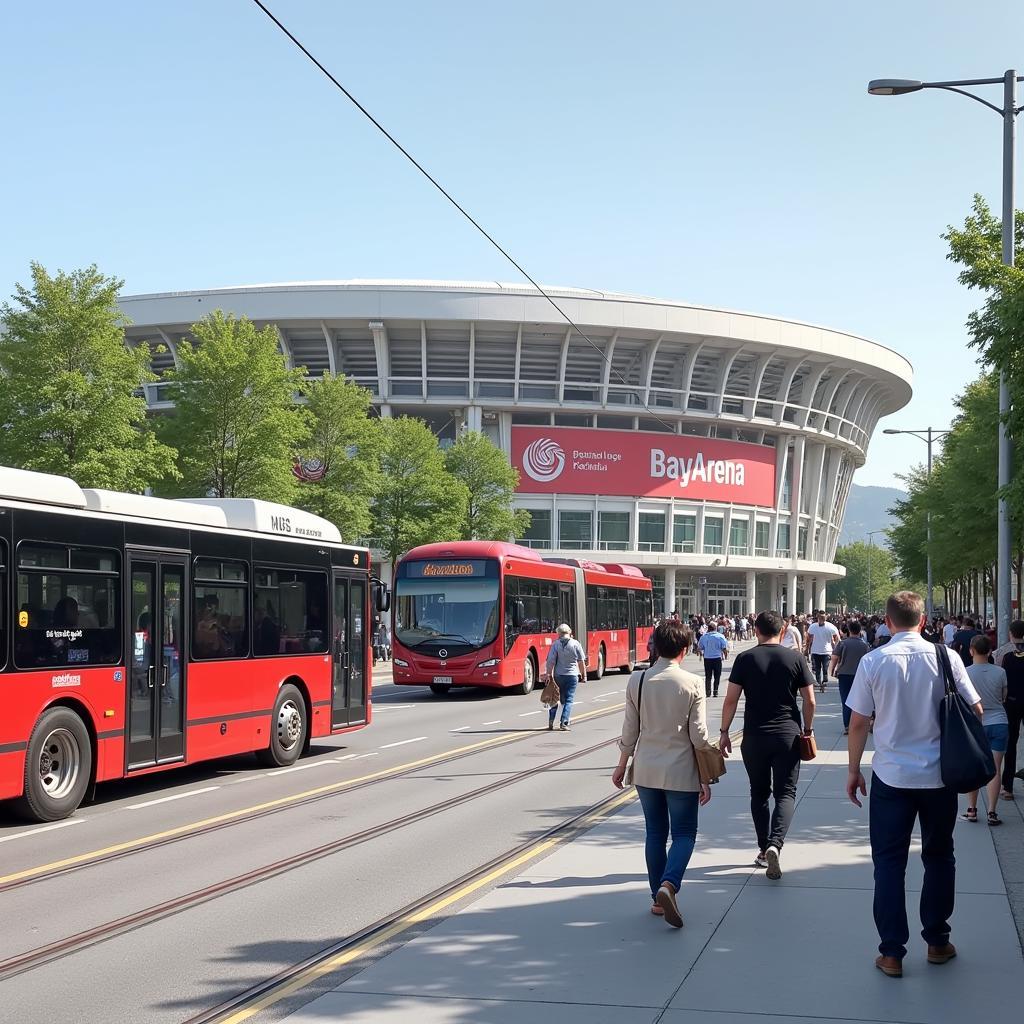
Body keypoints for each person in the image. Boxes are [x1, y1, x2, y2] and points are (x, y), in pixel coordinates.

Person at [845, 591, 982, 979]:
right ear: (923, 621)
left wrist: (853, 769)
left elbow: (858, 722)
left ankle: (891, 953)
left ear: (886, 622)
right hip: (940, 777)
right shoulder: (947, 656)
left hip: (891, 777)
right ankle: (938, 940)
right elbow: (975, 708)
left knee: (889, 864)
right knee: (939, 857)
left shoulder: (874, 661)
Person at [612, 620, 714, 927]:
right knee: (684, 833)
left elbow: (630, 730)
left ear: (655, 646)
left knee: (655, 833)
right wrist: (705, 777)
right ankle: (669, 885)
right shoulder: (692, 683)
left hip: (645, 769)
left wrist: (621, 765)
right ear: (684, 650)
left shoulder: (638, 681)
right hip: (681, 769)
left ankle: (657, 900)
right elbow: (698, 736)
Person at [720, 610, 815, 880]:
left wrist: (724, 731)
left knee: (758, 793)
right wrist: (807, 730)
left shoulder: (745, 658)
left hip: (754, 737)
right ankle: (776, 844)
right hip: (788, 736)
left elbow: (731, 700)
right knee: (785, 792)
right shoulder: (795, 658)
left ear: (756, 630)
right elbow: (810, 700)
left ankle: (763, 848)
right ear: (783, 630)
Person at [962, 634, 1007, 826]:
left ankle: (972, 810)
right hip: (999, 723)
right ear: (990, 651)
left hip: (974, 725)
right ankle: (992, 812)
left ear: (971, 650)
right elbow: (1004, 696)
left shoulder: (964, 672)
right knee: (995, 770)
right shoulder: (1000, 672)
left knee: (973, 768)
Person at [543, 623, 586, 732]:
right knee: (568, 700)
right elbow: (581, 661)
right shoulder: (576, 644)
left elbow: (550, 661)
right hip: (572, 676)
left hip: (558, 676)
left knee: (554, 698)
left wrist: (548, 674)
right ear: (569, 632)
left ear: (558, 633)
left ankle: (551, 721)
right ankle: (564, 722)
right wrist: (584, 675)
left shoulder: (555, 645)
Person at [831, 619, 870, 734]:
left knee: (845, 700)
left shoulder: (843, 643)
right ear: (860, 630)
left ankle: (847, 725)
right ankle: (858, 724)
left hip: (844, 674)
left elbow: (835, 657)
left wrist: (832, 669)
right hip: (859, 675)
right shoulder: (864, 645)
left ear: (849, 630)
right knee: (858, 700)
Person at [1000, 628, 1024, 799]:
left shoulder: (1008, 657)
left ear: (1011, 634)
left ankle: (1007, 786)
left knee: (1011, 744)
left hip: (1012, 704)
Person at [805, 611, 840, 693]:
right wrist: (807, 649)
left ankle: (824, 680)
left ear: (826, 618)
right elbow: (808, 638)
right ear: (817, 618)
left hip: (826, 651)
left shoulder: (830, 627)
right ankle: (819, 682)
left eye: (823, 617)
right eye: (820, 617)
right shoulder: (813, 627)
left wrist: (835, 647)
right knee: (817, 668)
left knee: (825, 667)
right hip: (815, 651)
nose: (822, 619)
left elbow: (836, 637)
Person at [697, 624, 729, 698]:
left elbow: (700, 648)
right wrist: (725, 655)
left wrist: (700, 655)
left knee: (708, 676)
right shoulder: (720, 636)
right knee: (717, 676)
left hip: (707, 658)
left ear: (708, 629)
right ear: (716, 629)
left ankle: (708, 691)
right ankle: (715, 691)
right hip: (717, 658)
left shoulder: (704, 637)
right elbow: (724, 647)